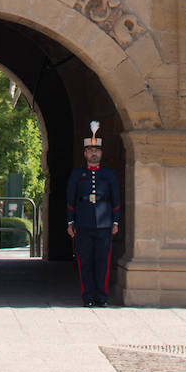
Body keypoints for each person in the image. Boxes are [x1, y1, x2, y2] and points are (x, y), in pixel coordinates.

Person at [66, 120, 120, 307]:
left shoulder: (109, 175)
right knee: (85, 262)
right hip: (83, 223)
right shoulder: (77, 175)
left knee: (102, 263)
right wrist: (70, 222)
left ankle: (102, 297)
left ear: (101, 153)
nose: (93, 153)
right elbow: (71, 200)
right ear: (85, 154)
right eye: (90, 150)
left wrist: (115, 222)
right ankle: (88, 297)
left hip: (104, 224)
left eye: (96, 151)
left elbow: (115, 200)